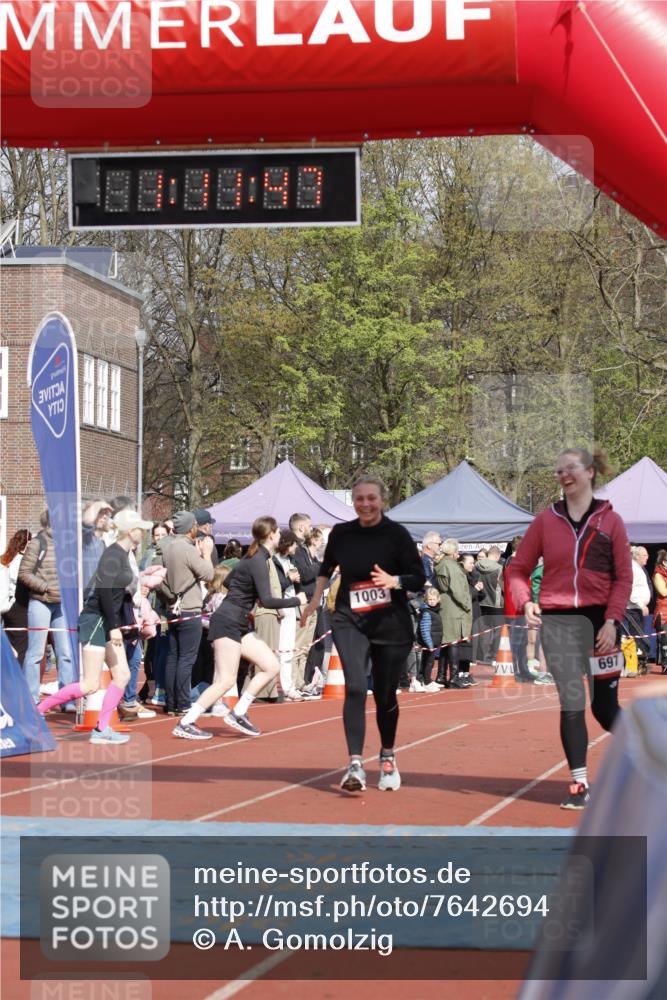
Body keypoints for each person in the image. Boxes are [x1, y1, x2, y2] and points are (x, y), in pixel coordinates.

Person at [508, 447, 633, 809]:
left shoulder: (611, 521)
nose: (564, 475)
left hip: (600, 624)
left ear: (590, 472)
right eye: (558, 470)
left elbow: (623, 577)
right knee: (572, 703)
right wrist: (526, 600)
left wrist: (612, 620)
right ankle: (579, 784)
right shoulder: (546, 522)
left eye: (571, 468)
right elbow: (518, 568)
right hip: (559, 622)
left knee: (605, 709)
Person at [301, 476, 425, 793]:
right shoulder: (342, 534)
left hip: (390, 625)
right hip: (349, 619)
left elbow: (417, 578)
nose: (365, 504)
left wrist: (393, 581)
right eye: (359, 499)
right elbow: (326, 568)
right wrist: (315, 600)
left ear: (381, 500)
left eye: (371, 498)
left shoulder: (397, 535)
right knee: (355, 686)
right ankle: (355, 764)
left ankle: (387, 756)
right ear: (352, 502)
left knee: (385, 696)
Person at [171, 516, 306, 740]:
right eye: (279, 533)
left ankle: (239, 712)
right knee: (226, 680)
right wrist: (297, 600)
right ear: (271, 535)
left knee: (271, 666)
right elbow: (269, 600)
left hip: (238, 621)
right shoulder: (257, 561)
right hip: (227, 622)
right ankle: (186, 721)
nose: (281, 537)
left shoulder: (253, 558)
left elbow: (229, 582)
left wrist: (248, 595)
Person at [37, 509, 154, 743]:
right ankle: (37, 711)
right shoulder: (113, 555)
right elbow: (104, 594)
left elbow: (117, 596)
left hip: (108, 621)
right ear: (131, 531)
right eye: (141, 529)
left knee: (121, 675)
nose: (143, 533)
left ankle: (101, 729)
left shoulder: (122, 553)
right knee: (90, 684)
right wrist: (113, 627)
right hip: (96, 621)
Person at [18, 510, 75, 706]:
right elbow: (24, 573)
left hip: (62, 604)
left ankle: (66, 699)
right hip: (41, 602)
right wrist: (46, 587)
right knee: (35, 653)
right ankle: (31, 699)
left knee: (66, 653)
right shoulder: (37, 543)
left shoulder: (68, 545)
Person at [162, 511, 215, 716]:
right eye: (194, 525)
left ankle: (171, 702)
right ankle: (183, 703)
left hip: (173, 607)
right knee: (186, 658)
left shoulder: (168, 548)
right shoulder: (187, 549)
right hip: (189, 608)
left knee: (173, 656)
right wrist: (207, 553)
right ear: (190, 528)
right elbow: (208, 574)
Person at [435, 539, 472, 688]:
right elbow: (457, 590)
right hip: (454, 608)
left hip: (446, 605)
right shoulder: (452, 566)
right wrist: (467, 605)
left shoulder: (442, 563)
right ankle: (454, 678)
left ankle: (441, 675)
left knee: (446, 642)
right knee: (453, 642)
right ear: (453, 551)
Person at [0, 528, 31, 663]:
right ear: (27, 544)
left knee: (11, 645)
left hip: (7, 608)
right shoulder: (21, 561)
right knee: (21, 647)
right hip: (18, 607)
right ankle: (17, 679)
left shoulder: (8, 559)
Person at [625, 545, 651, 673]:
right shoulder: (632, 569)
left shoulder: (638, 568)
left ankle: (636, 665)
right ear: (637, 556)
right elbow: (629, 590)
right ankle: (632, 666)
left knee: (639, 638)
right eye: (645, 555)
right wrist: (640, 605)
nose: (647, 557)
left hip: (637, 609)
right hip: (632, 609)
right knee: (634, 638)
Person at [417, 587, 444, 691]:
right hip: (429, 644)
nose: (432, 602)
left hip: (434, 643)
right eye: (430, 600)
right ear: (426, 600)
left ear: (438, 599)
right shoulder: (427, 612)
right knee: (428, 662)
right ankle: (426, 681)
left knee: (430, 662)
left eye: (434, 599)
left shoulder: (435, 611)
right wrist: (429, 644)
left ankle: (425, 679)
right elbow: (424, 629)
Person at [652, 549, 667, 672]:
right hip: (663, 612)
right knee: (665, 640)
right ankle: (666, 665)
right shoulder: (658, 574)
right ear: (664, 562)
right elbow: (663, 592)